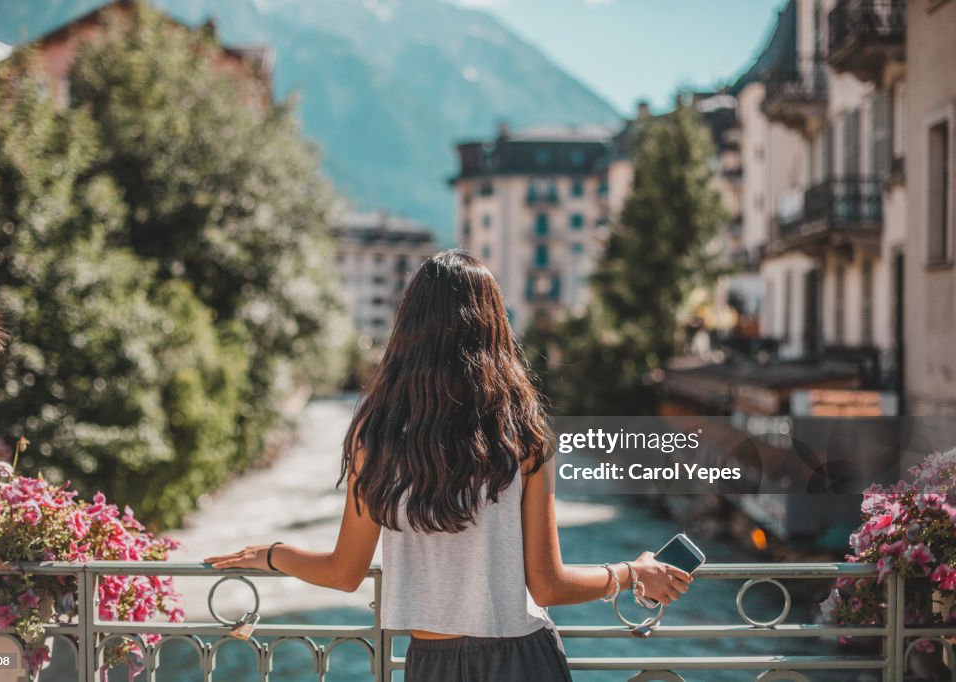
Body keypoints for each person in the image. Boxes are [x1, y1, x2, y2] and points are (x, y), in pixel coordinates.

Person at [205, 249, 691, 681]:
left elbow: (344, 572)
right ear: (493, 326)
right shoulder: (521, 433)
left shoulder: (374, 436)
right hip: (522, 660)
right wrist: (632, 571)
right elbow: (547, 583)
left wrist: (272, 553)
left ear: (408, 328)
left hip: (430, 664)